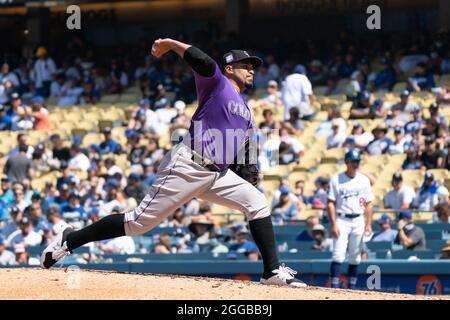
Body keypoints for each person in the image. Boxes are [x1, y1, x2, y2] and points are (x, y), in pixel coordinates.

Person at [40, 39, 306, 287]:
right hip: (188, 165)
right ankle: (70, 239)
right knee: (137, 224)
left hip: (217, 174)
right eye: (245, 66)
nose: (251, 70)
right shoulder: (217, 84)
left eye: (252, 67)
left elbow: (246, 150)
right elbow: (201, 60)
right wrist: (169, 44)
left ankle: (271, 271)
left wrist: (248, 176)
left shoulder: (247, 109)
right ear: (228, 68)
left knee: (257, 203)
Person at [327, 149, 374, 289]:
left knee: (355, 256)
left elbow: (369, 203)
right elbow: (330, 202)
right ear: (346, 162)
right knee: (338, 255)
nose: (356, 163)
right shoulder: (336, 179)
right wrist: (334, 224)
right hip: (342, 219)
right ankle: (334, 288)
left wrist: (368, 224)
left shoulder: (364, 180)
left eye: (358, 161)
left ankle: (351, 289)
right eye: (353, 161)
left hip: (359, 219)